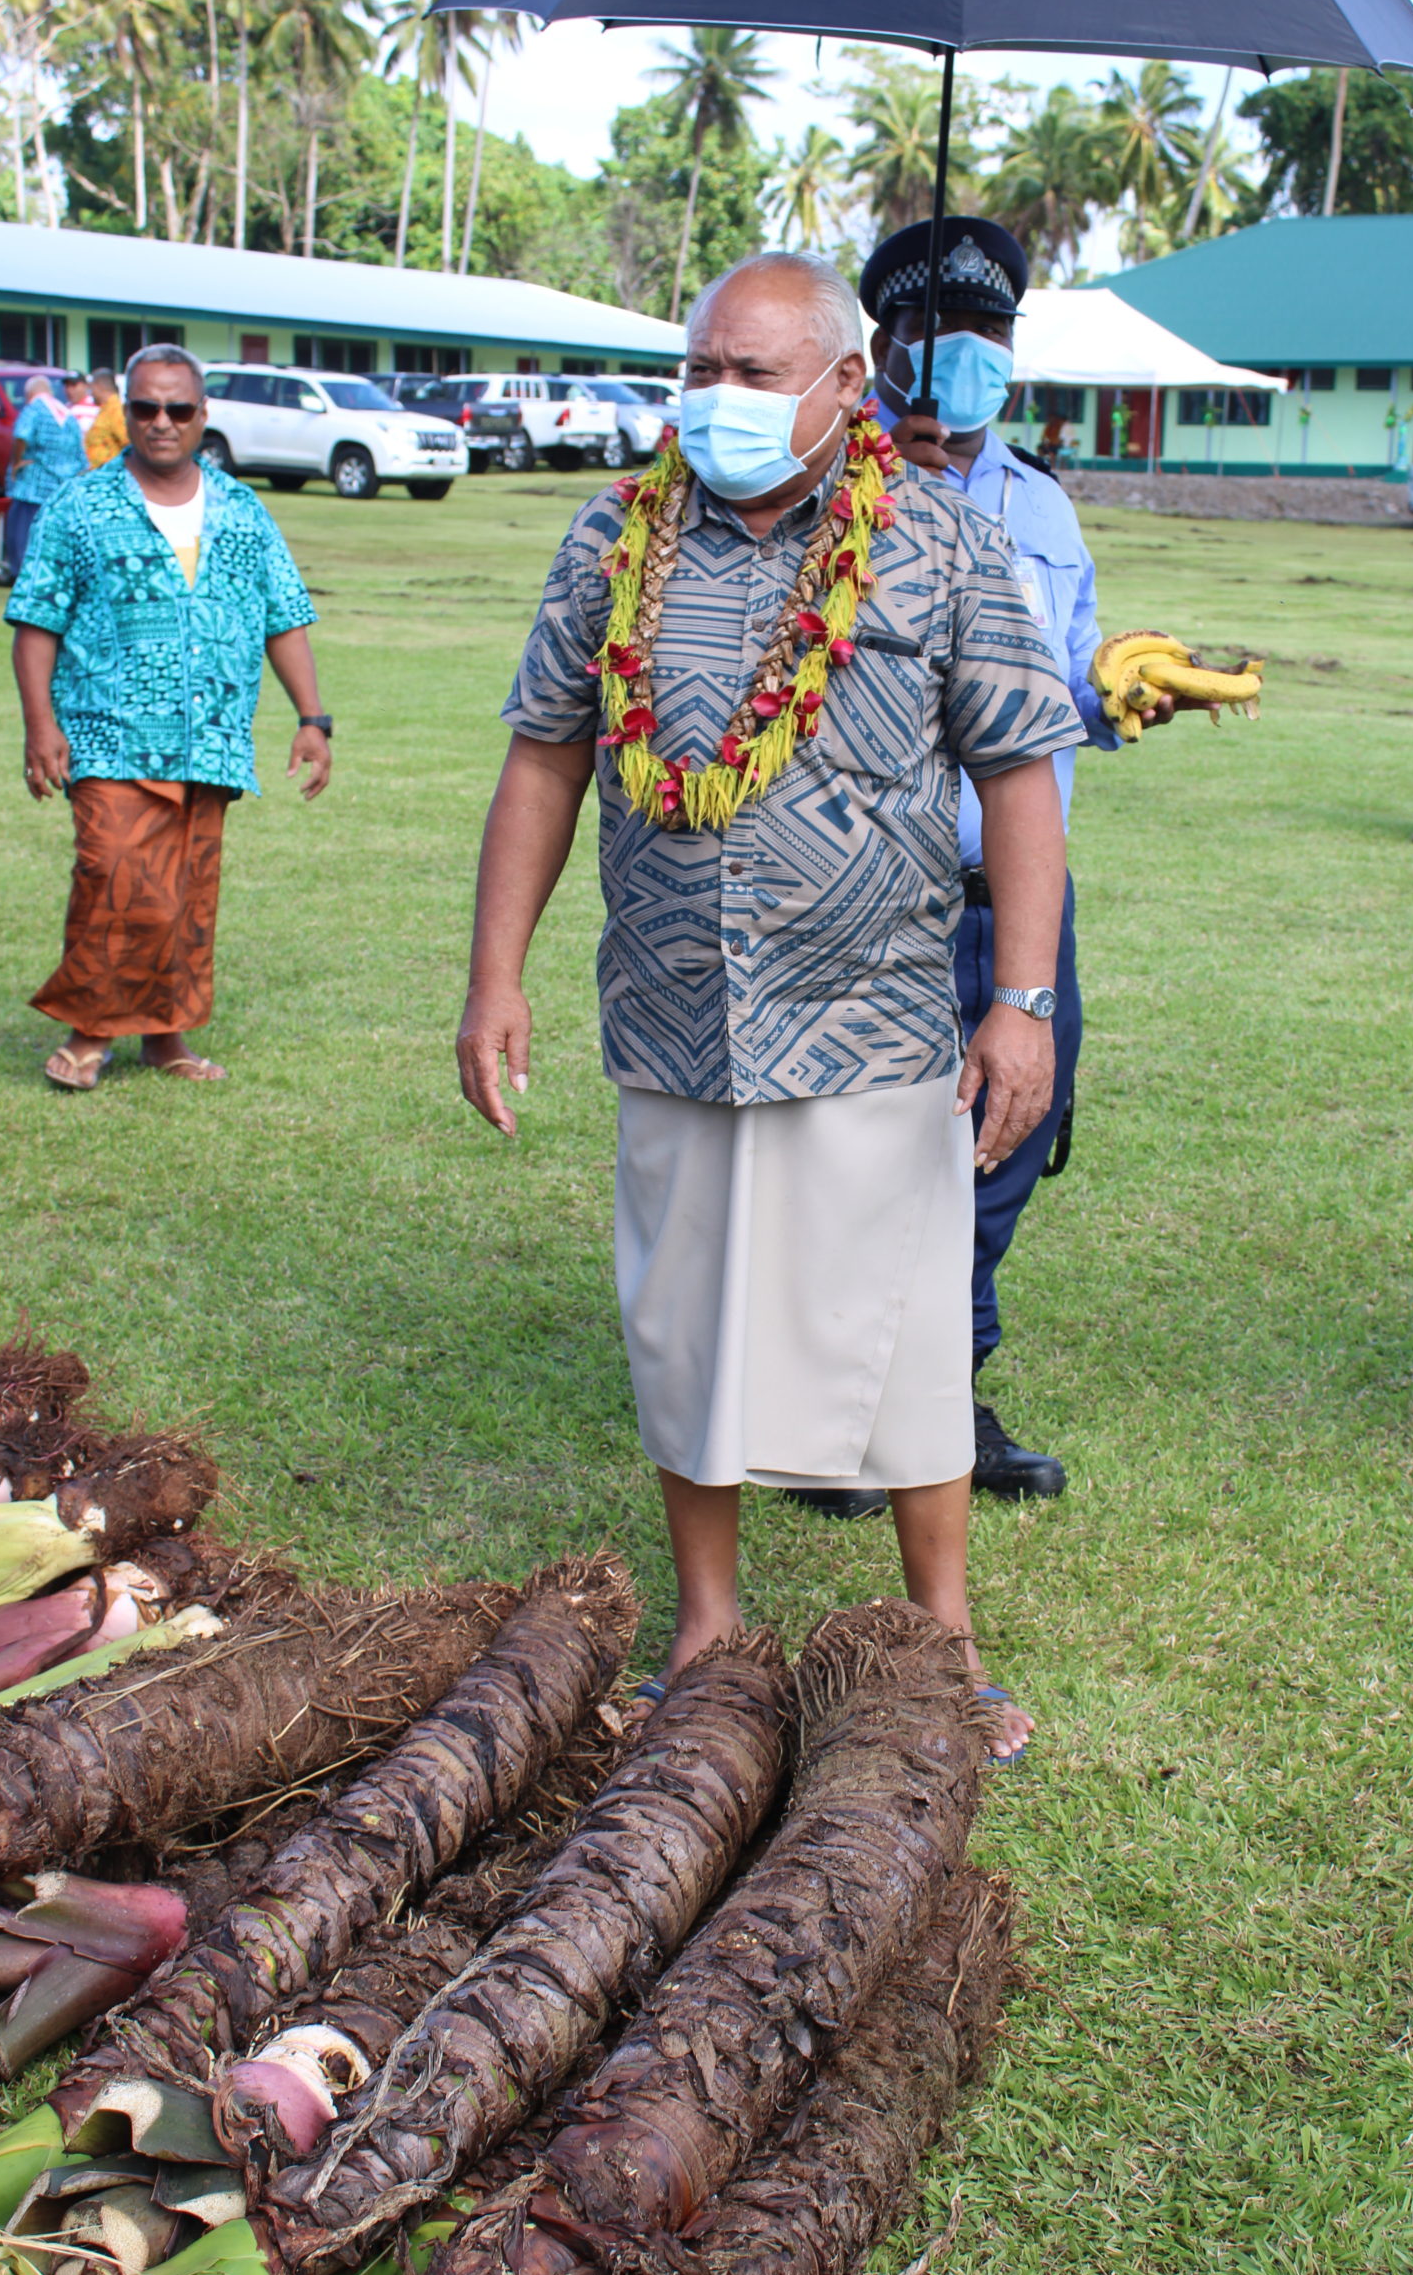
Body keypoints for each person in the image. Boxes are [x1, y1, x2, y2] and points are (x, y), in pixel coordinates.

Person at [456, 251, 1084, 1764]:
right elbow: (545, 754)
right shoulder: (613, 535)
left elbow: (1016, 775)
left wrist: (1020, 1001)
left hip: (873, 1015)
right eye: (703, 369)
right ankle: (707, 1632)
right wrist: (494, 976)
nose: (717, 399)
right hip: (673, 1009)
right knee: (686, 1326)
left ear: (846, 386)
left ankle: (940, 1640)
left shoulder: (933, 540)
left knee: (906, 1331)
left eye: (754, 373)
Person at [830, 215, 1183, 1512]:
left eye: (988, 337)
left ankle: (947, 1394)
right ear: (883, 347)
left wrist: (1124, 696)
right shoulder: (820, 492)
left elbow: (1041, 695)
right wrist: (886, 501)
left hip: (1018, 901)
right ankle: (847, 1412)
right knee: (864, 1154)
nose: (965, 359)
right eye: (937, 336)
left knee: (1004, 1139)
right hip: (873, 894)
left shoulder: (1041, 504)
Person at [6, 343, 330, 1091]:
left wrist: (314, 718)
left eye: (177, 409)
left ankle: (165, 1038)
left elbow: (283, 615)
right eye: (145, 407)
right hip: (105, 729)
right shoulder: (81, 507)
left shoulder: (242, 512)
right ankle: (90, 1033)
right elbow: (35, 624)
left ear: (201, 416)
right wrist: (38, 725)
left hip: (209, 736)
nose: (160, 422)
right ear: (127, 410)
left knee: (185, 893)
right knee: (117, 875)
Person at [4, 376, 86, 577]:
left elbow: (22, 434)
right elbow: (81, 455)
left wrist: (17, 462)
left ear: (29, 393)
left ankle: (25, 574)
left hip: (34, 486)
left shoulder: (34, 409)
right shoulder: (67, 413)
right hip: (63, 488)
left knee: (22, 534)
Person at [85, 368, 128, 468]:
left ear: (98, 386)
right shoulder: (105, 409)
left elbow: (128, 444)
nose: (90, 393)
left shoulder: (116, 410)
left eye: (91, 389)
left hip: (111, 475)